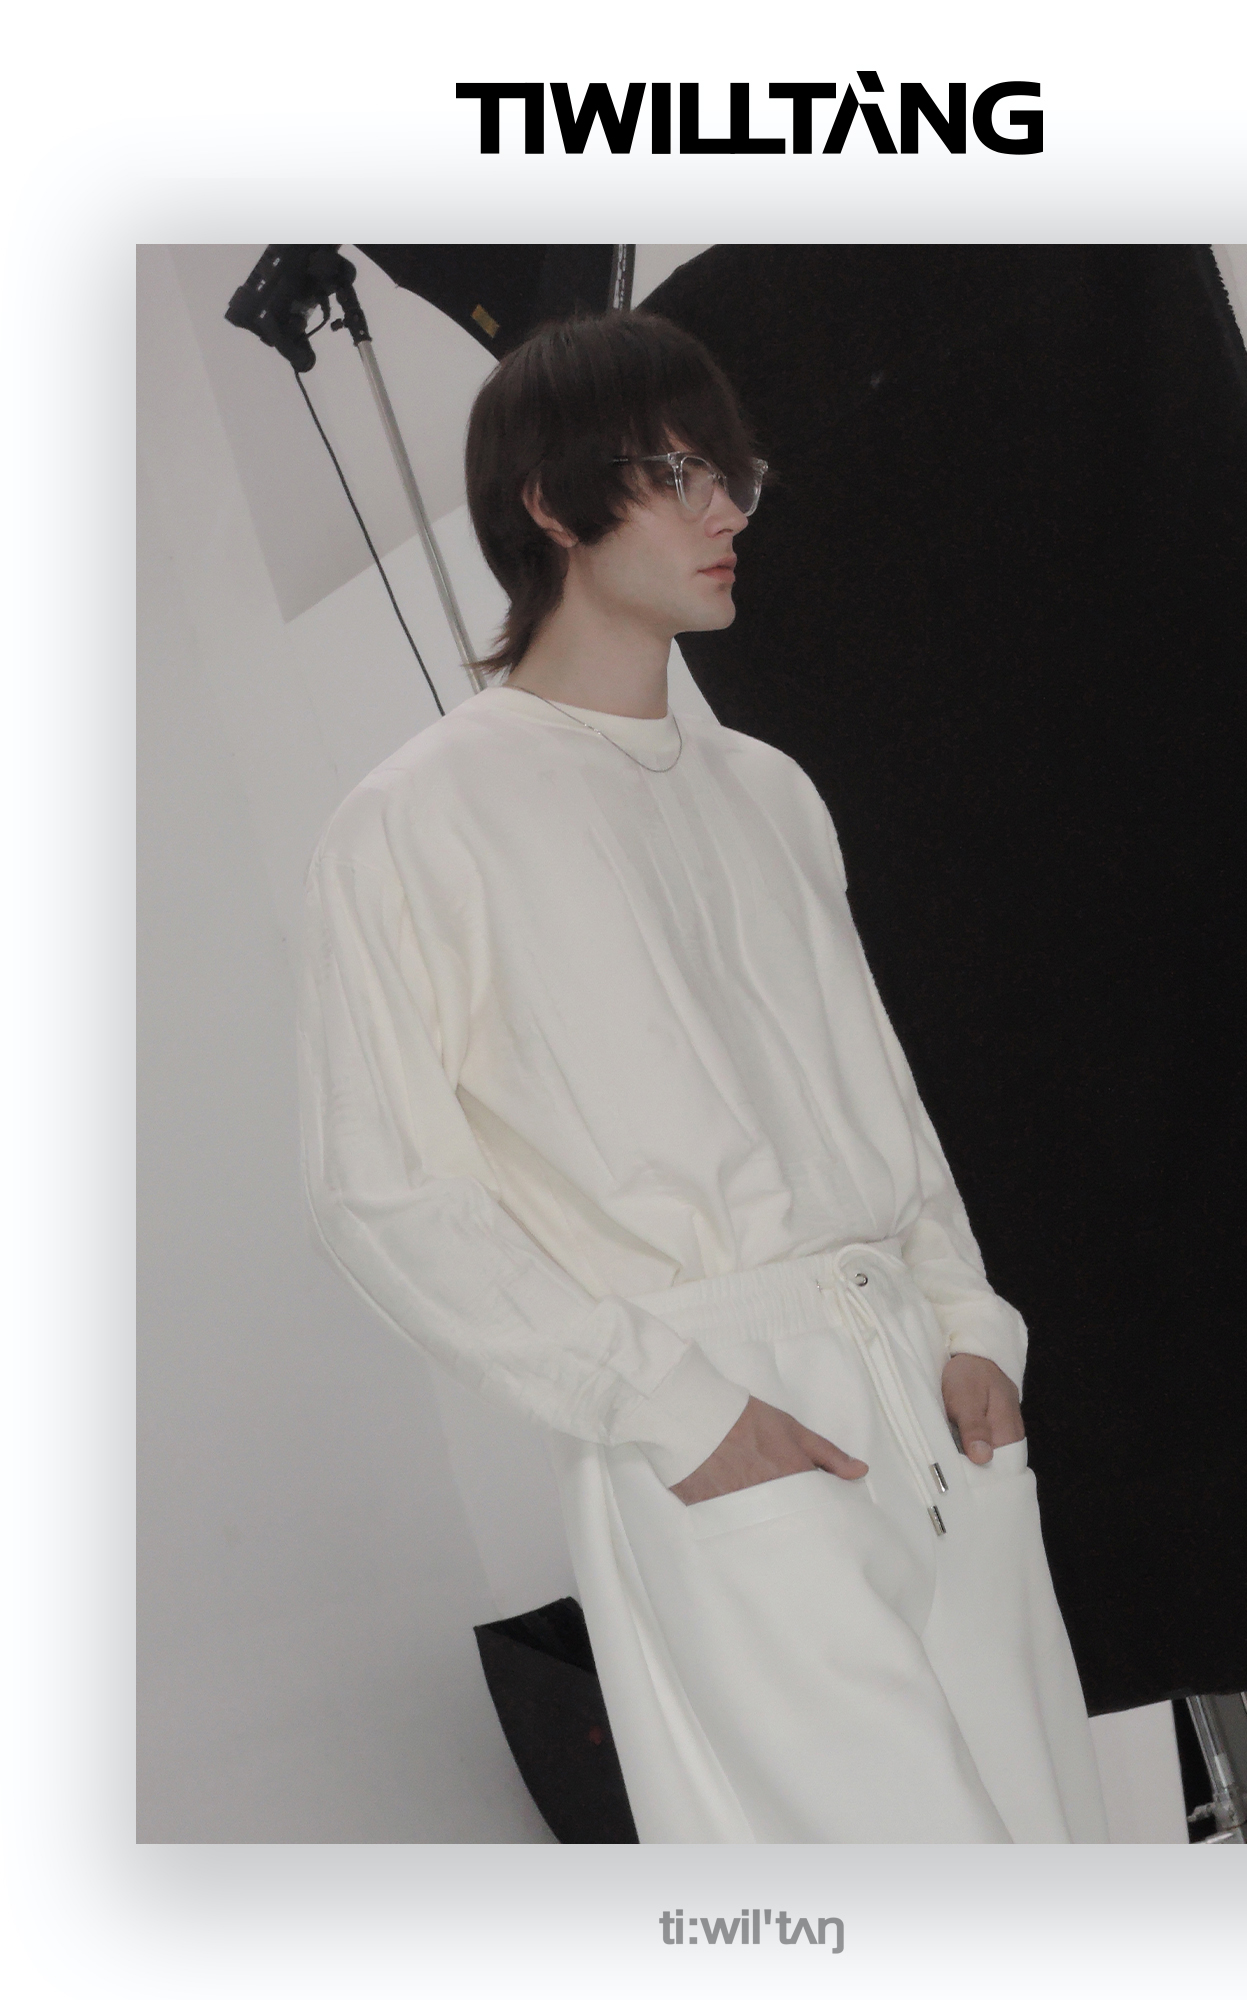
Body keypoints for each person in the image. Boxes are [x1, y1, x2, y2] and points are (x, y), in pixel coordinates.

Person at [296, 309, 1109, 1843]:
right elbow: (380, 1191)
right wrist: (671, 1406)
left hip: (919, 1380)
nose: (730, 509)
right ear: (551, 505)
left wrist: (967, 1323)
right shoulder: (419, 820)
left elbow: (879, 1092)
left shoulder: (768, 789)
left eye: (734, 473)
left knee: (1042, 1841)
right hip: (716, 1399)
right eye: (678, 474)